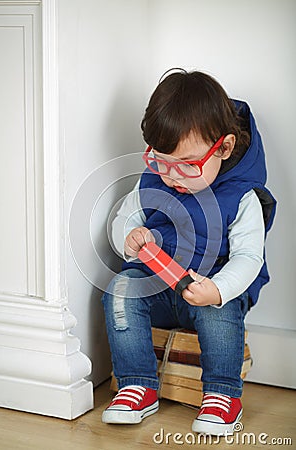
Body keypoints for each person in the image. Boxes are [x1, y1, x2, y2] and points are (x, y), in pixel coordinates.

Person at [101, 69, 276, 435]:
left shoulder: (242, 197)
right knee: (120, 287)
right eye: (162, 162)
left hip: (208, 288)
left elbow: (248, 257)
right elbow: (123, 216)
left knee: (220, 308)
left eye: (188, 165)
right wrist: (128, 236)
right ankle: (137, 383)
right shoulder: (154, 179)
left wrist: (218, 289)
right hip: (159, 287)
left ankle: (222, 393)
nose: (173, 177)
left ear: (224, 148)